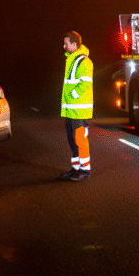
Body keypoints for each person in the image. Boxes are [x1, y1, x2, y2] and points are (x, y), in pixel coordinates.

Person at [60, 31, 93, 181]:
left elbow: (85, 84)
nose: (64, 46)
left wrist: (72, 96)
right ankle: (75, 169)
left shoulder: (84, 62)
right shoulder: (72, 60)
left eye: (66, 43)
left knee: (80, 140)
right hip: (71, 109)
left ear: (74, 44)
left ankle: (85, 170)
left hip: (79, 110)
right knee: (72, 141)